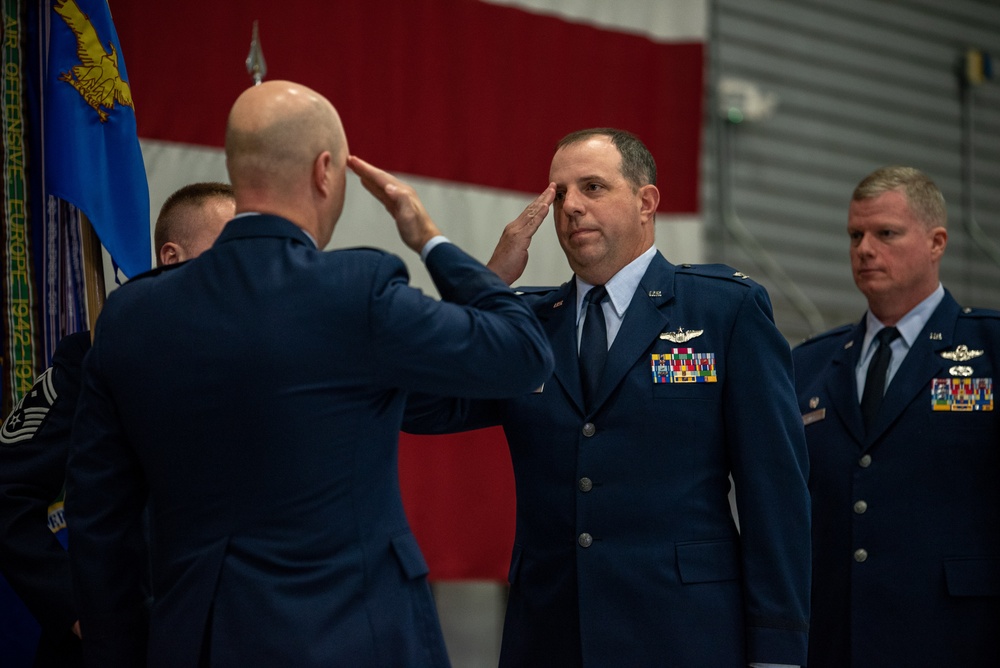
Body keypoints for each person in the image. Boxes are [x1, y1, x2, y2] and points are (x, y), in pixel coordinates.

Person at [64, 80, 554, 667]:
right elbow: (523, 352)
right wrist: (430, 238)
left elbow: (99, 525)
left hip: (197, 642)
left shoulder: (131, 318)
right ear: (325, 171)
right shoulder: (357, 292)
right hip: (354, 637)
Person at [405, 128, 811, 667]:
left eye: (593, 187)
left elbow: (775, 492)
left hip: (683, 634)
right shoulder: (525, 325)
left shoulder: (722, 311)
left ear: (646, 203)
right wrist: (486, 288)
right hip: (549, 636)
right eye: (559, 193)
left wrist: (778, 650)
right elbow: (418, 405)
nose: (571, 206)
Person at [0, 182, 235, 667]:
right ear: (172, 256)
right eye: (228, 251)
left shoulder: (257, 361)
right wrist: (76, 607)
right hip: (125, 644)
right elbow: (6, 491)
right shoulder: (91, 358)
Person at [793, 166, 1000, 667]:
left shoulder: (990, 349)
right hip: (835, 637)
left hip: (957, 636)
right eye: (855, 235)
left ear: (936, 243)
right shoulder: (810, 365)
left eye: (885, 233)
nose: (865, 249)